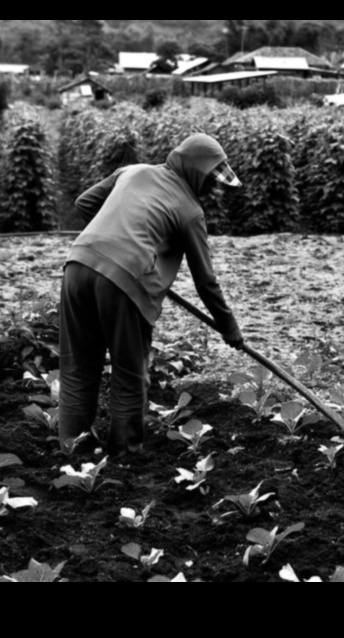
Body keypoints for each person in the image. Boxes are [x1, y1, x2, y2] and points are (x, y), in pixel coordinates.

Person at [58, 133, 244, 455]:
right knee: (129, 375)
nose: (212, 189)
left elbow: (84, 203)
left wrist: (116, 240)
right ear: (196, 171)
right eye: (210, 180)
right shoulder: (190, 211)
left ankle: (73, 449)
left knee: (77, 367)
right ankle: (125, 455)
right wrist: (230, 328)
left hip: (78, 265)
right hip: (124, 283)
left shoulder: (133, 171)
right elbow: (206, 282)